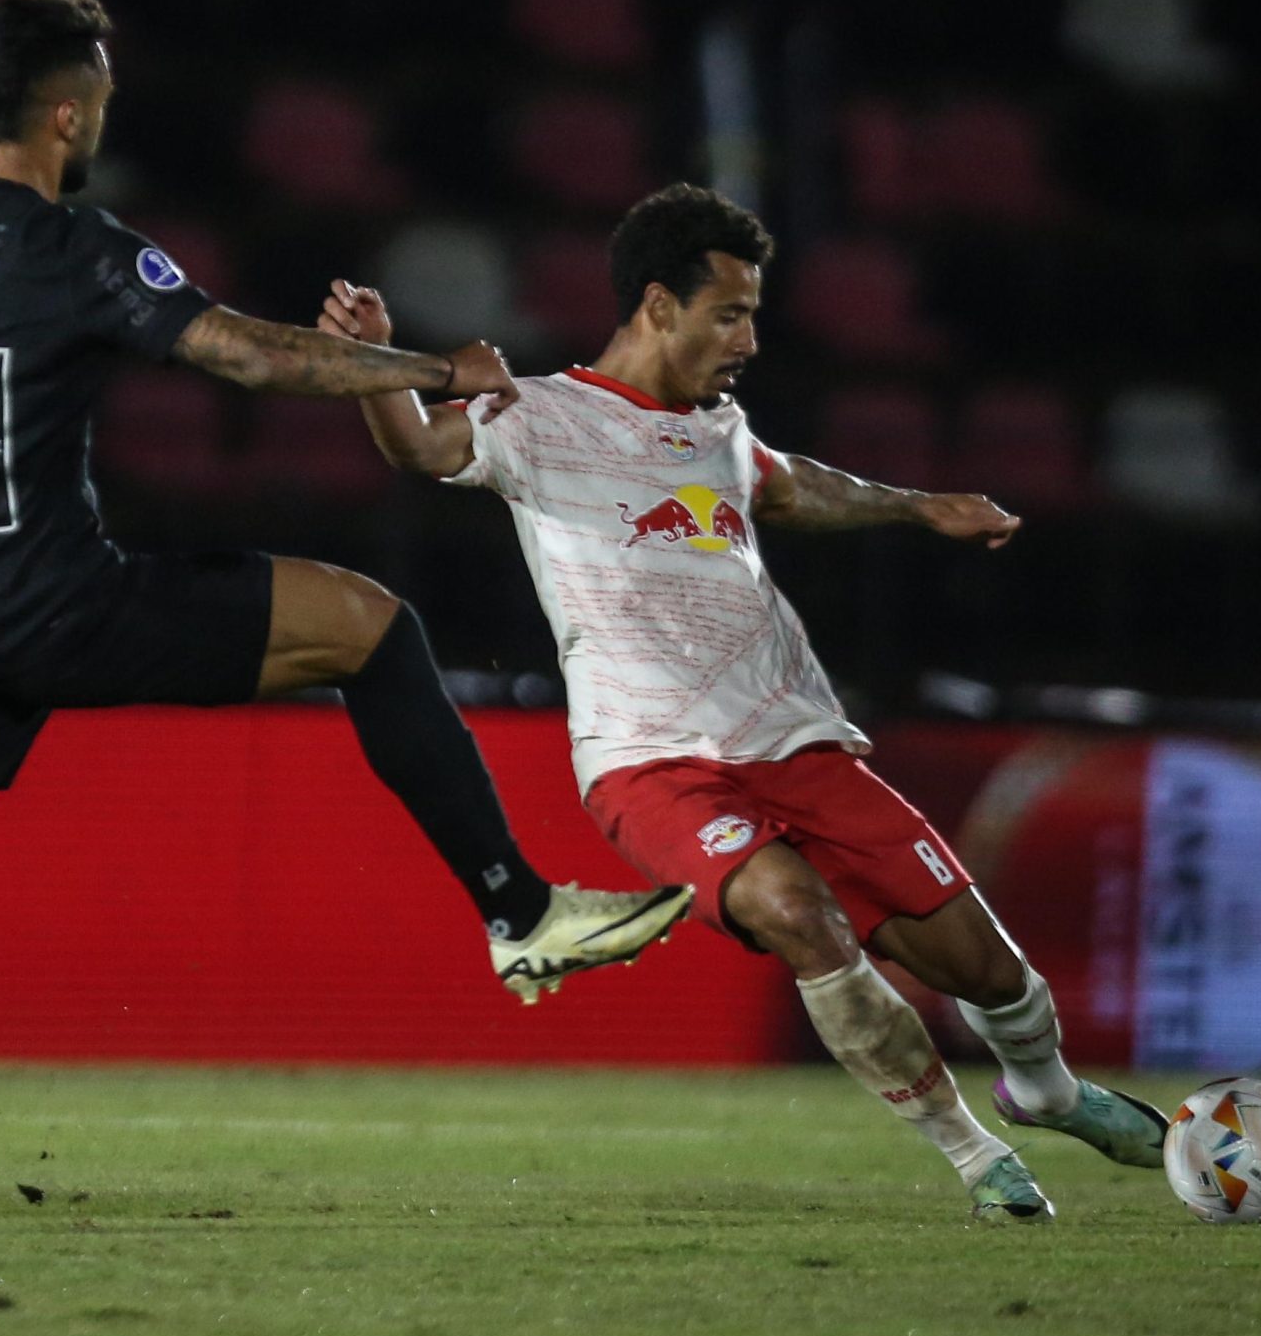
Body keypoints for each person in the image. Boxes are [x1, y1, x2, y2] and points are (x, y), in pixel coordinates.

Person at [0, 0, 689, 1233]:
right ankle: (518, 910)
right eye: (101, 105)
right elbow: (244, 352)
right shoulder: (73, 247)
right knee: (369, 624)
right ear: (66, 111)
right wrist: (430, 369)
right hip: (59, 606)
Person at [318, 183, 1165, 1222]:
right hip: (649, 761)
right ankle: (974, 1154)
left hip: (797, 742)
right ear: (655, 306)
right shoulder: (534, 416)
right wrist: (377, 362)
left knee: (991, 975)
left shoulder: (716, 430)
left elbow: (791, 485)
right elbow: (414, 445)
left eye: (753, 311)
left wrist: (915, 507)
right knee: (795, 913)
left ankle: (1046, 1091)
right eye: (728, 311)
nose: (749, 337)